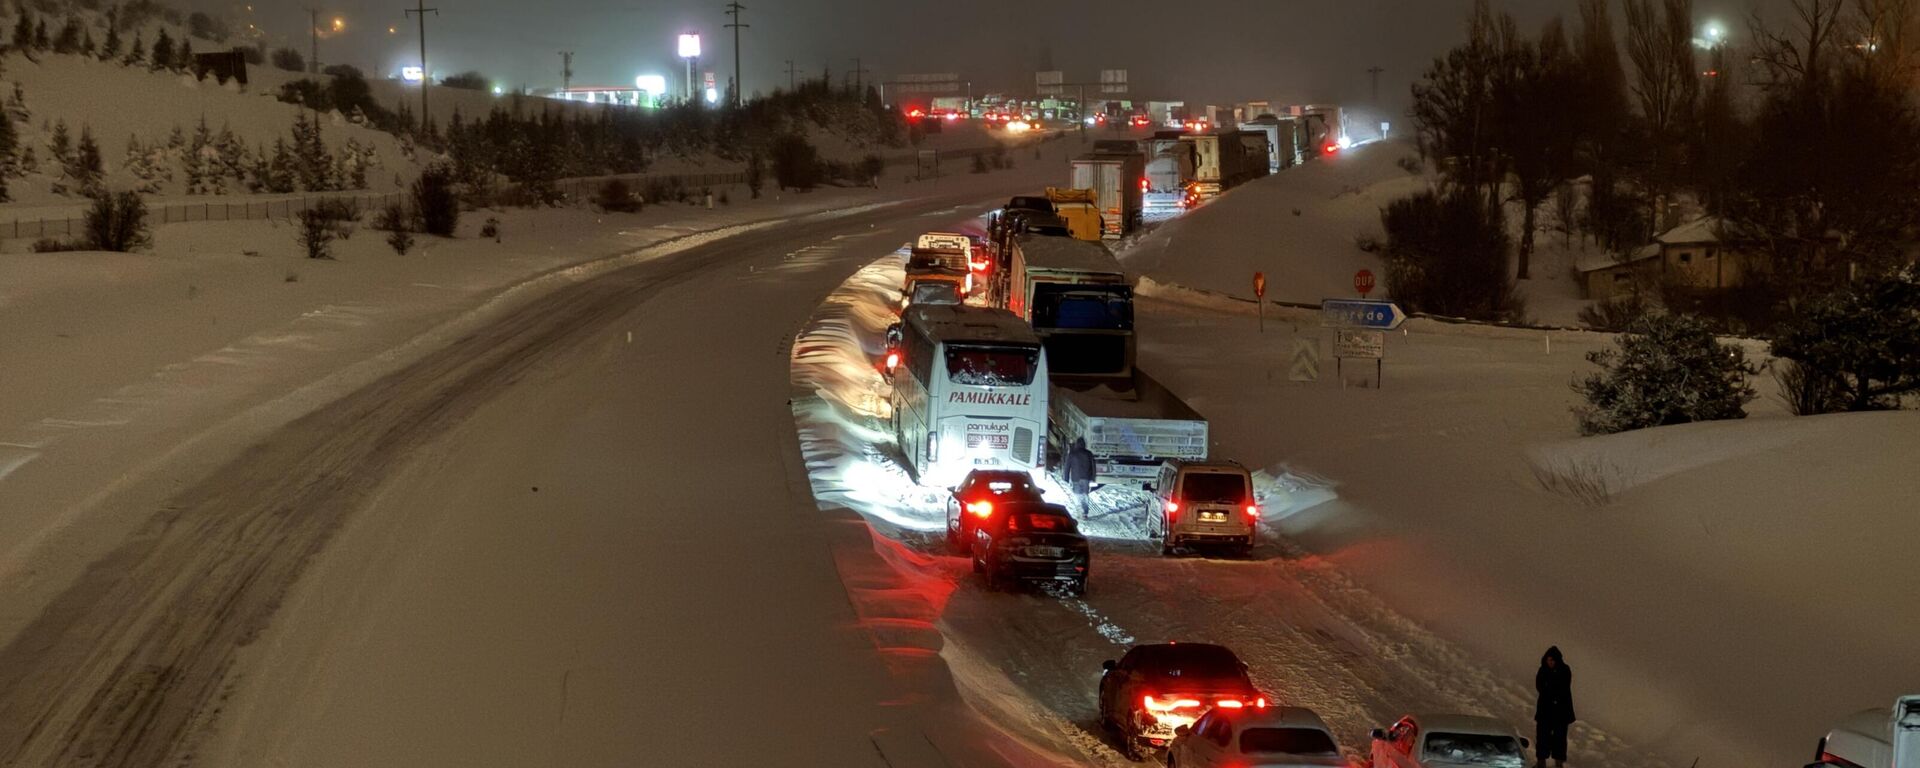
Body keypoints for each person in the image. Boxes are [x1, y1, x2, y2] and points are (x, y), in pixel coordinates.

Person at [1534, 646, 1575, 768]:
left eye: (1552, 660)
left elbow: (1563, 688)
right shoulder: (1543, 670)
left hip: (1560, 712)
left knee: (1559, 738)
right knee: (1542, 737)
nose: (1550, 662)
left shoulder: (1564, 670)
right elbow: (1540, 686)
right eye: (1548, 660)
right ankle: (1541, 762)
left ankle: (1559, 763)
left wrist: (1551, 691)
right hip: (1545, 710)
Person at [1063, 437, 1095, 517]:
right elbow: (1093, 466)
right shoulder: (1089, 453)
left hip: (1076, 478)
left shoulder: (1072, 453)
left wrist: (1066, 478)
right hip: (1086, 478)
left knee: (1077, 494)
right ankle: (1085, 512)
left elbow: (1067, 466)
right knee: (1085, 495)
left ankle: (1079, 510)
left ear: (1076, 444)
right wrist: (1092, 478)